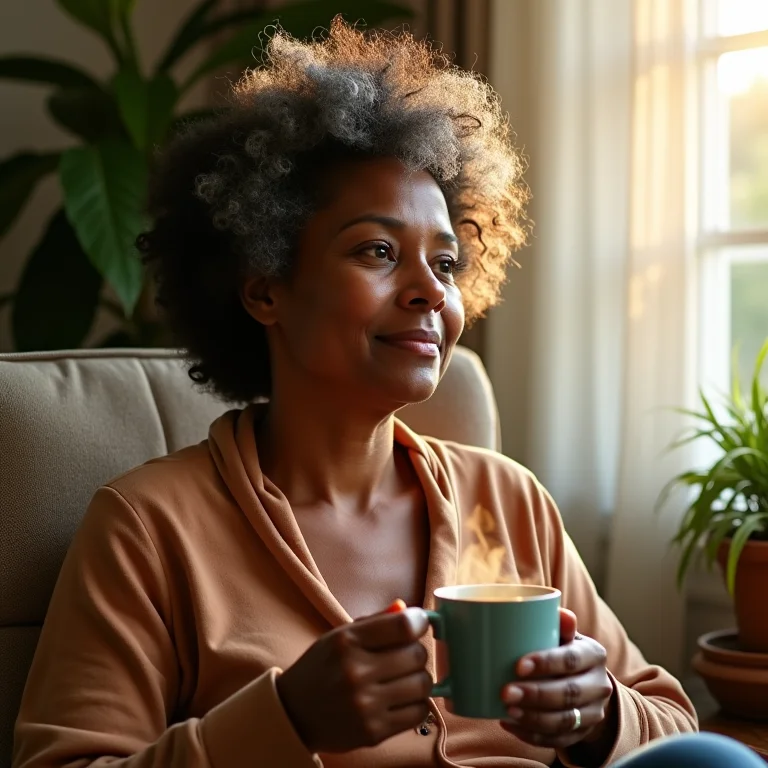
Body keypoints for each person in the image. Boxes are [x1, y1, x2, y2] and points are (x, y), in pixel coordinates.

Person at [11, 18, 761, 768]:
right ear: (265, 288)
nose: (430, 291)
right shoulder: (148, 530)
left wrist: (599, 714)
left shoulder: (505, 499)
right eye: (377, 251)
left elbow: (670, 719)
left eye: (446, 262)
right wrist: (286, 719)